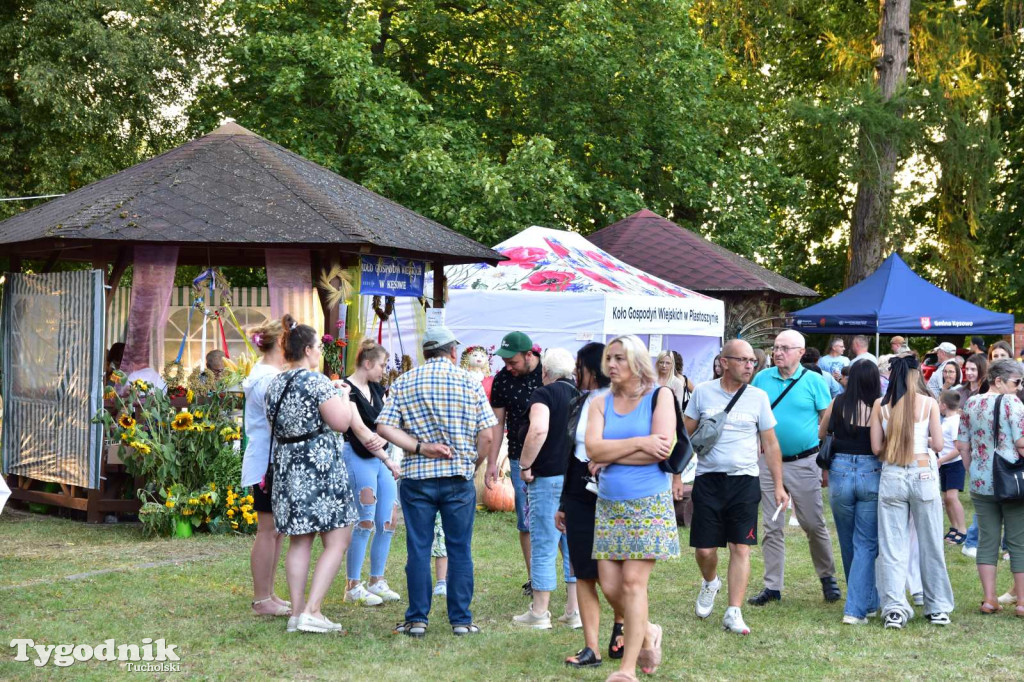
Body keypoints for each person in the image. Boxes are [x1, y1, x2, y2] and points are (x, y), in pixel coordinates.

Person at [377, 325, 497, 637]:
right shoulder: (469, 383)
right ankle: (461, 620)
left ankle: (417, 619)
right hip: (458, 476)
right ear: (453, 352)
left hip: (417, 478)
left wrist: (418, 447)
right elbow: (487, 434)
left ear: (425, 353)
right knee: (459, 549)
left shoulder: (405, 381)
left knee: (418, 548)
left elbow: (384, 427)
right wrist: (475, 463)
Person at [585, 335, 679, 680]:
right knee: (610, 586)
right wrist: (639, 441)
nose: (611, 364)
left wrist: (613, 450)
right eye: (609, 358)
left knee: (633, 584)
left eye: (620, 358)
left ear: (637, 362)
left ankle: (628, 669)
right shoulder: (599, 403)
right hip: (609, 504)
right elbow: (594, 450)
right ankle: (649, 629)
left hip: (649, 503)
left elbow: (662, 450)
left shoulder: (660, 396)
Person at [686, 340, 788, 635]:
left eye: (752, 361)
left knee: (740, 546)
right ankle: (710, 582)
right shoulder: (703, 392)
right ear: (723, 361)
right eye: (742, 360)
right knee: (705, 550)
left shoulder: (758, 397)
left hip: (745, 481)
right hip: (708, 479)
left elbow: (770, 443)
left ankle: (734, 611)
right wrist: (675, 476)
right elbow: (685, 434)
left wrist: (779, 485)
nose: (749, 366)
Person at [266, 314, 357, 634]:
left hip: (288, 466)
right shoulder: (317, 381)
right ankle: (313, 610)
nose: (320, 351)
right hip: (318, 466)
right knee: (339, 538)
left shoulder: (275, 383)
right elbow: (341, 423)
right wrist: (344, 396)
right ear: (307, 349)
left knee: (299, 542)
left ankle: (296, 613)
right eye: (318, 346)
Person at [749, 330, 839, 606]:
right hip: (769, 463)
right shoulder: (762, 379)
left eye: (785, 348)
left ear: (801, 352)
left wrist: (823, 457)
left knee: (813, 524)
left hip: (804, 461)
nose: (778, 353)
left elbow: (827, 420)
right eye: (776, 348)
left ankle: (828, 578)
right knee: (771, 525)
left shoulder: (814, 381)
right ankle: (772, 587)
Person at [869, 355, 953, 629]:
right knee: (930, 542)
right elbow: (939, 444)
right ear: (916, 375)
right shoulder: (928, 403)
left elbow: (876, 449)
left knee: (892, 546)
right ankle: (937, 606)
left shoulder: (880, 405)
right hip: (923, 473)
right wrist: (923, 437)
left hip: (892, 473)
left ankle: (894, 608)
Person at [556, 342, 625, 668]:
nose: (575, 372)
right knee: (583, 571)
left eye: (580, 365)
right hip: (580, 491)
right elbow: (571, 453)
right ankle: (591, 648)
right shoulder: (578, 401)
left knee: (615, 574)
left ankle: (625, 622)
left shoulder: (622, 400)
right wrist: (563, 503)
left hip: (616, 492)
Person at [514, 348, 581, 630]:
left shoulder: (544, 394)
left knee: (543, 543)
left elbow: (538, 429)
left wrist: (525, 465)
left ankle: (539, 613)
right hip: (575, 481)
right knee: (572, 547)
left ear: (546, 373)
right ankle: (574, 611)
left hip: (548, 479)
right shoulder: (582, 396)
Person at [955, 359, 1024, 616]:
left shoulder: (971, 402)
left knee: (986, 541)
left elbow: (962, 444)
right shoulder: (1013, 403)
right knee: (1018, 542)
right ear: (998, 380)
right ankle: (1021, 603)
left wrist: (972, 469)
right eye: (1016, 382)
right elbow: (1021, 442)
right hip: (1013, 481)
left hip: (981, 481)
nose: (1018, 387)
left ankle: (989, 599)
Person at [342, 340, 404, 607]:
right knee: (365, 518)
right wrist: (387, 457)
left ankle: (377, 579)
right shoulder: (346, 390)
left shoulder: (378, 389)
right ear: (367, 363)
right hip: (360, 456)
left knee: (388, 518)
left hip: (382, 459)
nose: (383, 370)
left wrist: (385, 443)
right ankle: (352, 584)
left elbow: (388, 422)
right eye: (381, 365)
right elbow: (361, 431)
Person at [821, 360, 882, 624]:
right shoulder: (880, 406)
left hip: (840, 471)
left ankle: (867, 602)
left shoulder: (838, 402)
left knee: (848, 541)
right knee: (867, 543)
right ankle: (856, 608)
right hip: (871, 471)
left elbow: (822, 432)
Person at [485, 330, 543, 597]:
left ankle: (569, 577)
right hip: (520, 457)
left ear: (529, 355)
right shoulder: (502, 380)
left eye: (513, 362)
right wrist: (491, 462)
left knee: (559, 518)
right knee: (526, 520)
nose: (508, 367)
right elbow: (497, 423)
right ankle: (535, 579)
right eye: (505, 362)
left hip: (552, 457)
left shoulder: (548, 373)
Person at [240, 320, 290, 619]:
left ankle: (269, 592)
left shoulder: (267, 374)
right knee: (268, 530)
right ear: (281, 343)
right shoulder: (268, 379)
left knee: (276, 530)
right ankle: (261, 599)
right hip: (266, 463)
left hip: (270, 459)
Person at [936, 390, 966, 545]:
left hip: (954, 464)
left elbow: (958, 448)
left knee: (952, 497)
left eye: (939, 402)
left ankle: (962, 530)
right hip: (945, 464)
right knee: (946, 498)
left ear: (944, 405)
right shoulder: (946, 420)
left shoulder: (955, 421)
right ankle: (954, 527)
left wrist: (941, 460)